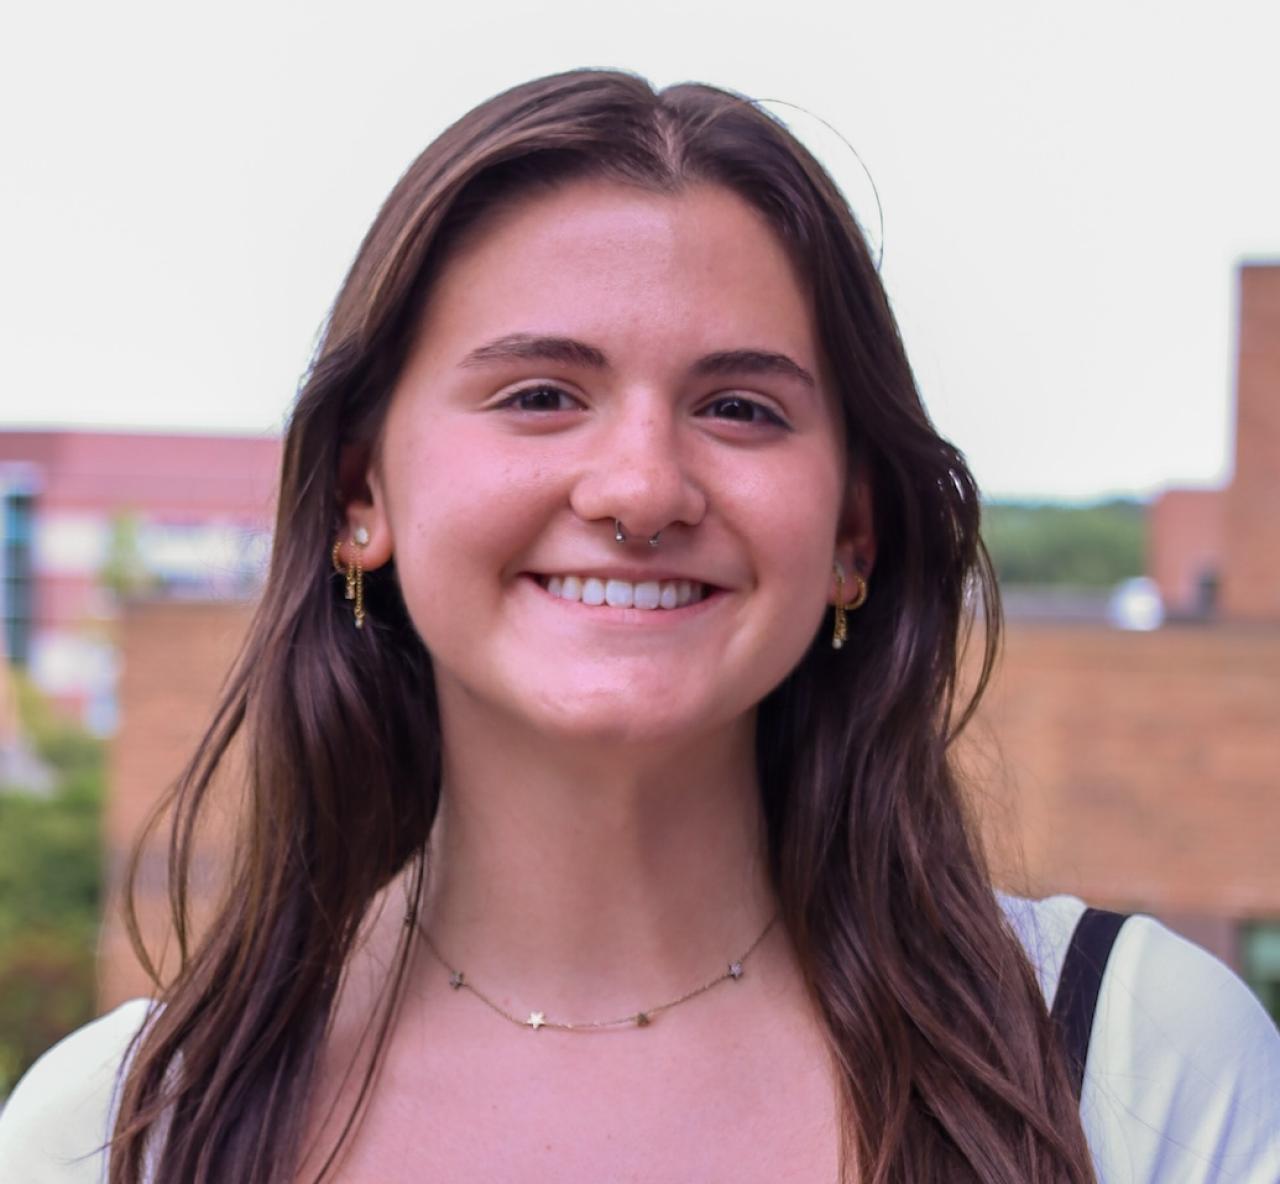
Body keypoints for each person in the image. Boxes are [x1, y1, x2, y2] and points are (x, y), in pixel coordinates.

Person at [1, 68, 1277, 1183]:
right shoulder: (118, 1132)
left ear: (853, 530)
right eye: (542, 393)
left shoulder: (1132, 1061)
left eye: (740, 409)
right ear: (360, 492)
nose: (641, 490)